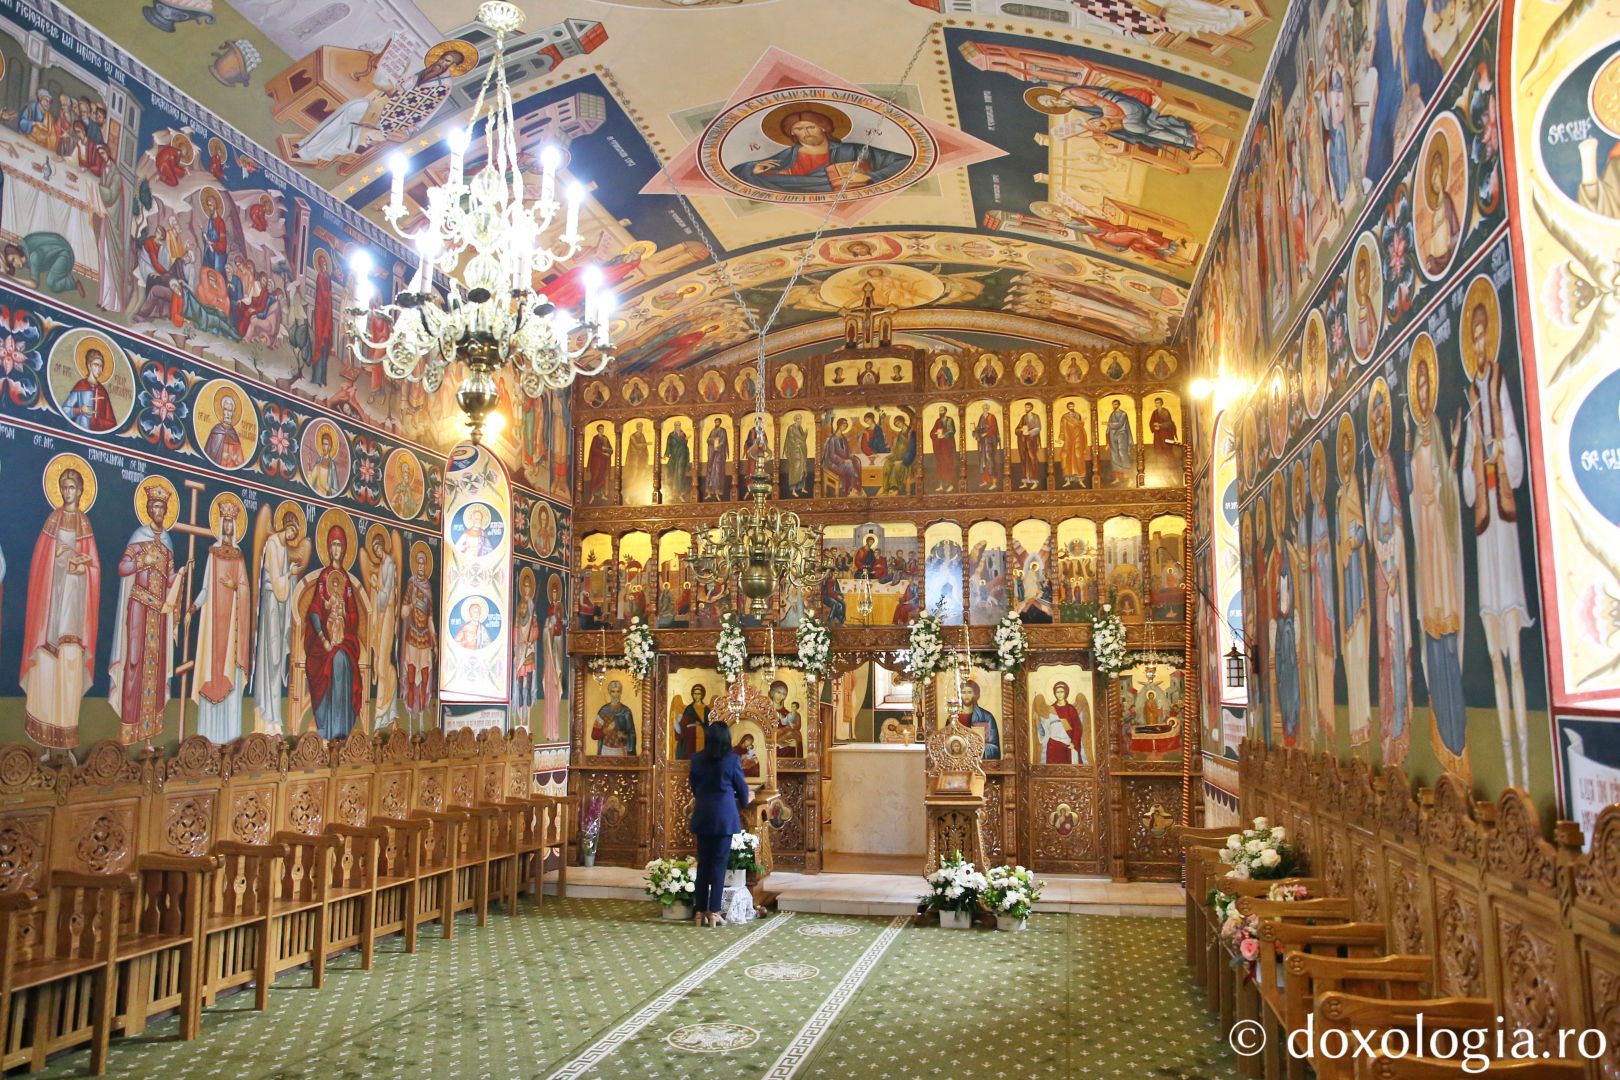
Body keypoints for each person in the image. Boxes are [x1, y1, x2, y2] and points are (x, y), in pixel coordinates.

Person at [688, 720, 752, 927]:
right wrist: (745, 800)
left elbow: (694, 787)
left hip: (703, 814)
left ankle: (699, 911)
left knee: (703, 865)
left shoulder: (697, 759)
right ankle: (714, 912)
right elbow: (741, 788)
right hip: (724, 817)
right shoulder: (732, 759)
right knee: (719, 866)